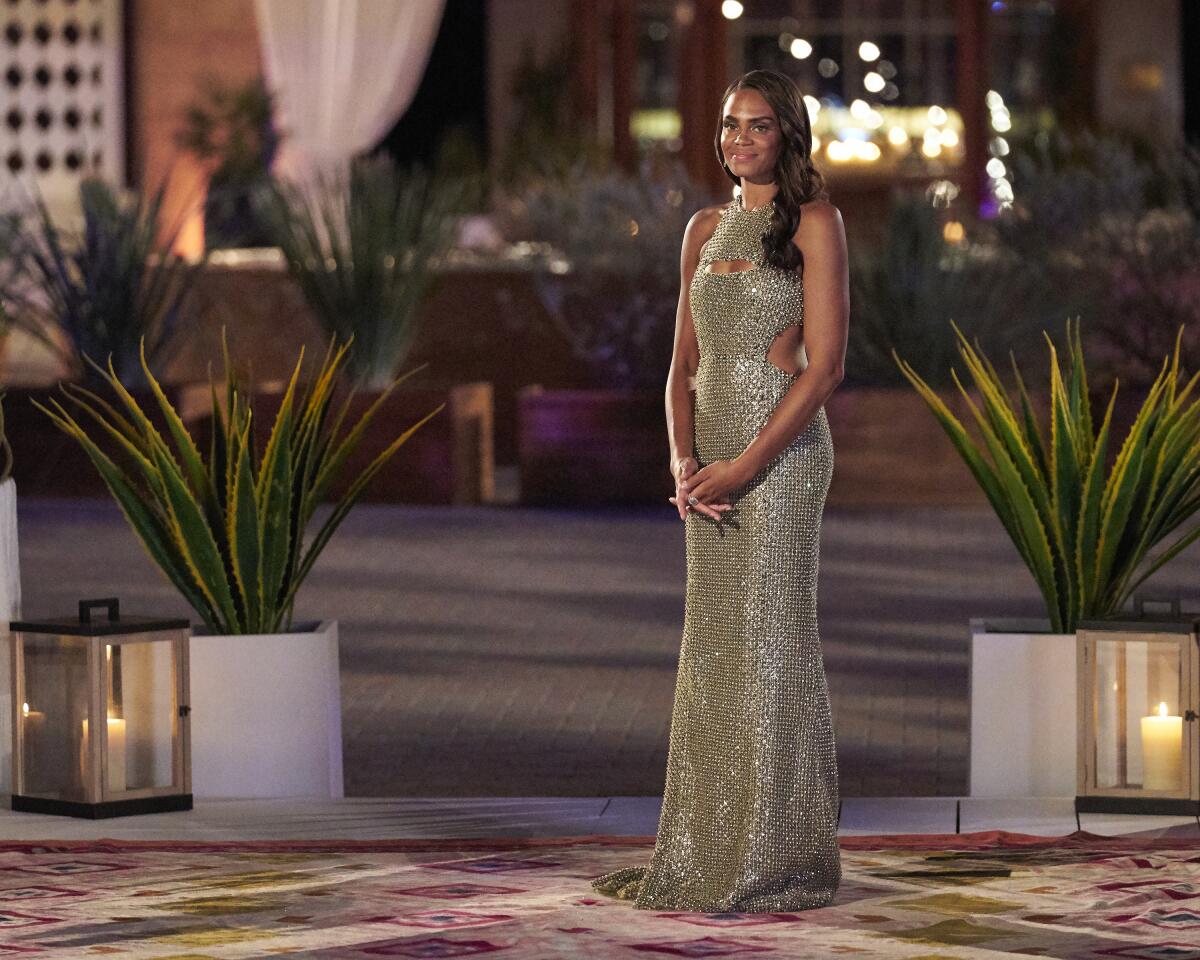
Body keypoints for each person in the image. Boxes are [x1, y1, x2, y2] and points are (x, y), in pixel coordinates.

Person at [590, 68, 849, 912]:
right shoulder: (702, 226)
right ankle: (706, 847)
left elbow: (826, 369)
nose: (740, 140)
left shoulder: (816, 222)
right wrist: (682, 463)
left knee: (772, 645)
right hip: (706, 466)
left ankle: (778, 857)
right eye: (730, 125)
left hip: (780, 460)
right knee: (714, 653)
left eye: (759, 126)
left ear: (789, 135)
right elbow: (681, 366)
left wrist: (742, 467)